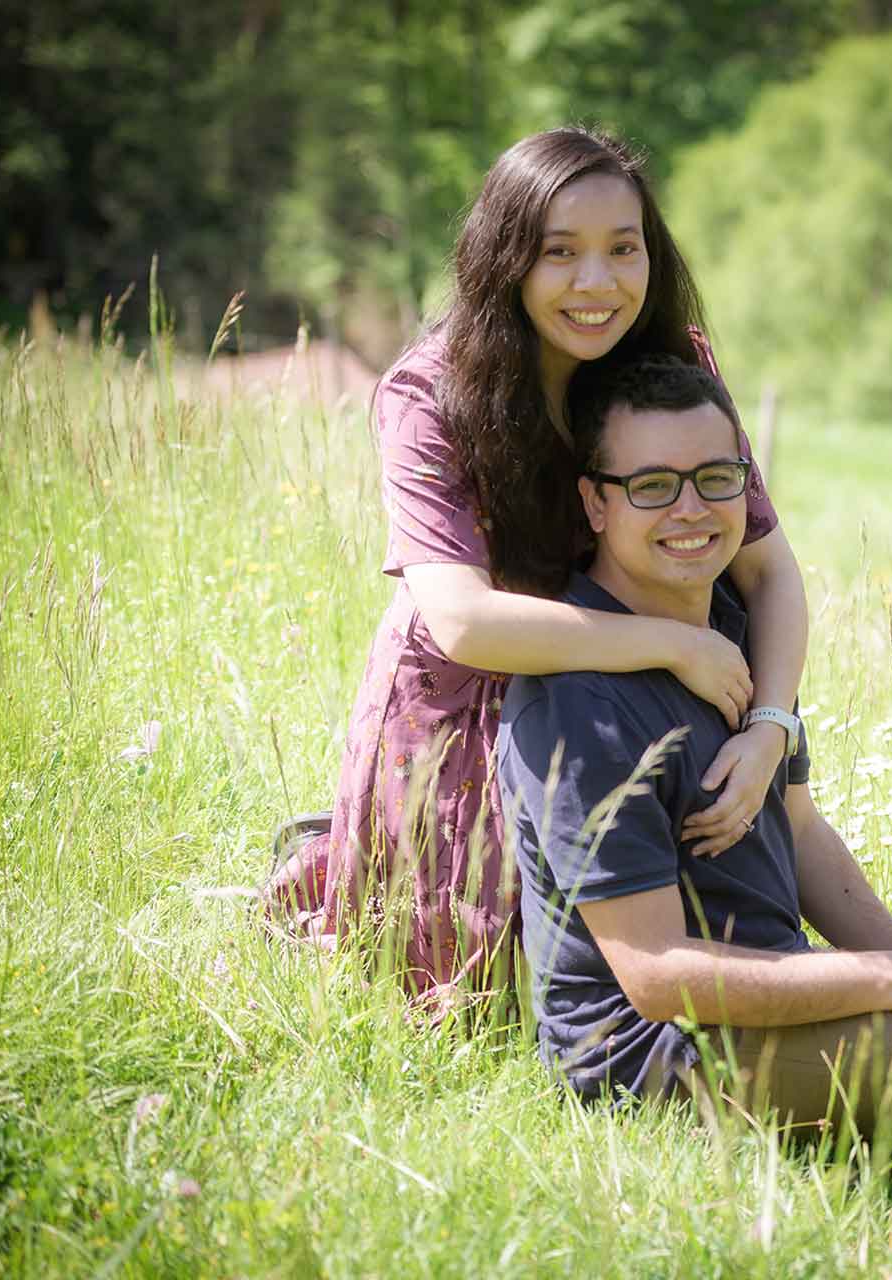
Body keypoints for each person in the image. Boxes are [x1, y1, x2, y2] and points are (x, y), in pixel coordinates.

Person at [262, 127, 812, 1006]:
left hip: (637, 705)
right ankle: (329, 862)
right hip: (472, 708)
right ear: (506, 259)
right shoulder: (428, 392)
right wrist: (671, 643)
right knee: (475, 1002)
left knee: (703, 953)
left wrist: (772, 729)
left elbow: (770, 573)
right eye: (561, 253)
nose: (597, 284)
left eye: (622, 250)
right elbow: (464, 622)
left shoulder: (675, 364)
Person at [500, 355, 892, 1147]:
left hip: (775, 993)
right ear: (596, 503)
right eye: (654, 486)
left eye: (716, 477)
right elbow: (658, 975)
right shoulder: (578, 698)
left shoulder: (735, 632)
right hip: (656, 1057)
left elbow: (799, 834)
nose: (692, 509)